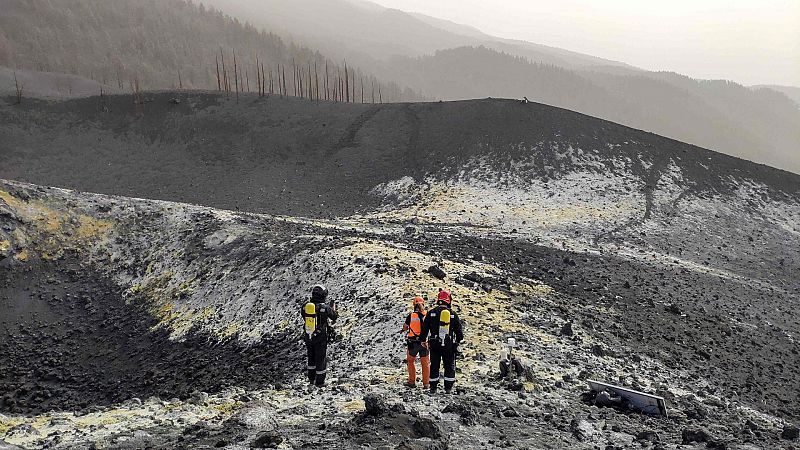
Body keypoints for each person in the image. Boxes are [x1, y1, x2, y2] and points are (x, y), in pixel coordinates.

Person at [420, 289, 463, 394]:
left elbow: (424, 328)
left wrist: (422, 340)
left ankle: (433, 388)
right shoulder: (453, 314)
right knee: (449, 365)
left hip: (434, 343)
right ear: (449, 300)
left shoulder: (431, 313)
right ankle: (448, 388)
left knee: (434, 365)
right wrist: (457, 342)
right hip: (448, 344)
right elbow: (459, 332)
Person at [301, 284, 338, 387]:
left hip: (308, 335)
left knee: (311, 357)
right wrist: (333, 307)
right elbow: (334, 316)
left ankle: (311, 379)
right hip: (320, 336)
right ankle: (320, 382)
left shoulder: (305, 306)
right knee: (320, 359)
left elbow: (303, 316)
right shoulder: (324, 307)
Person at [401, 296, 430, 388]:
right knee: (425, 363)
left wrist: (404, 329)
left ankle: (412, 382)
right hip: (424, 342)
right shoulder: (427, 315)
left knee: (410, 361)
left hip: (412, 343)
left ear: (414, 305)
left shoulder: (411, 316)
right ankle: (426, 384)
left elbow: (405, 327)